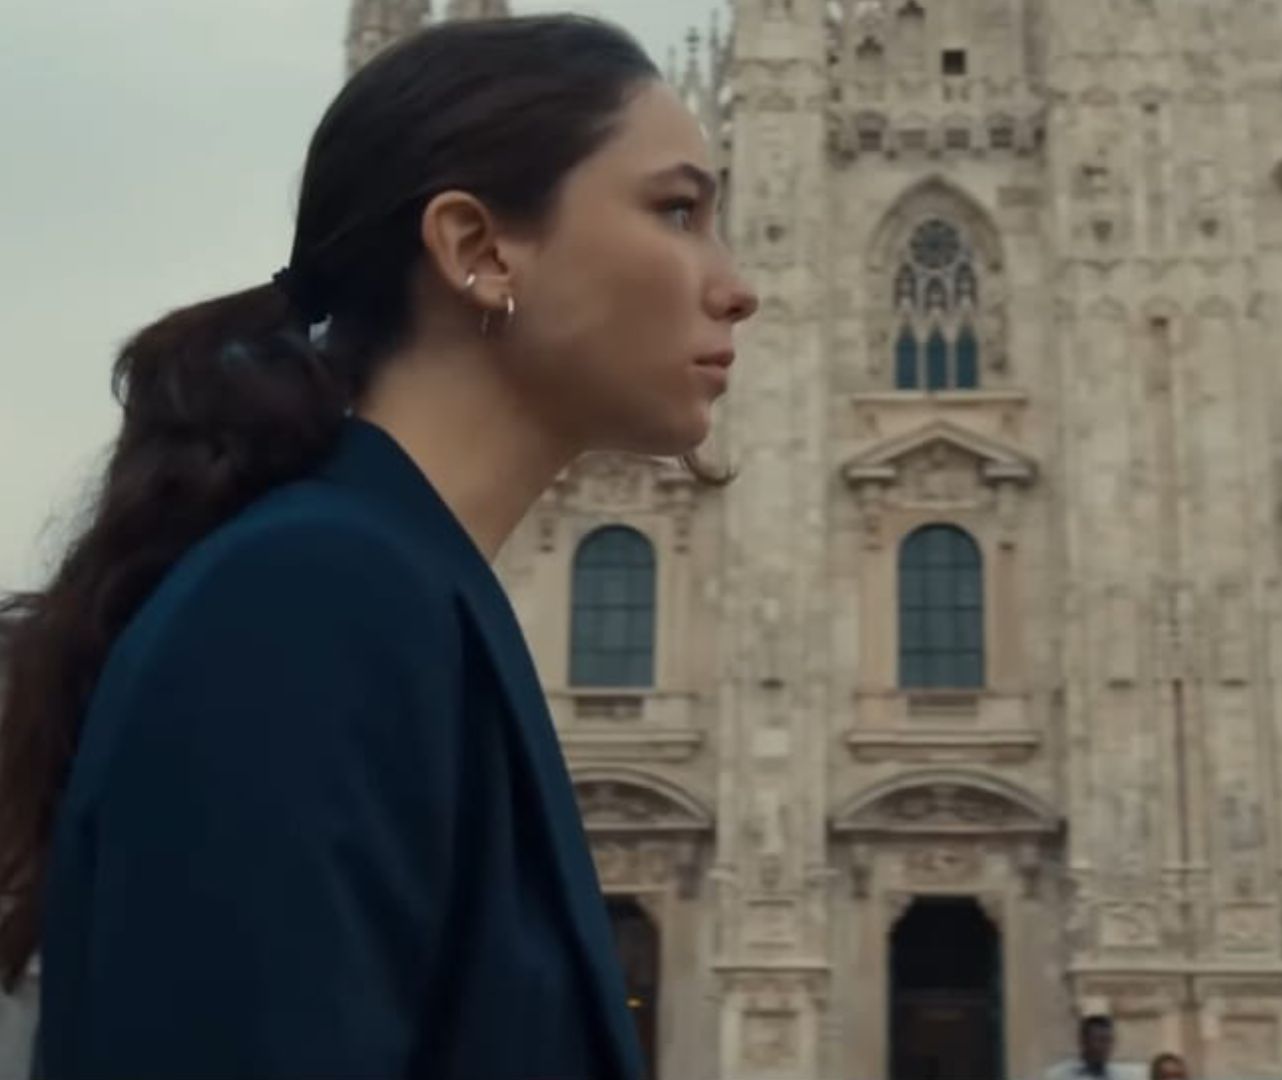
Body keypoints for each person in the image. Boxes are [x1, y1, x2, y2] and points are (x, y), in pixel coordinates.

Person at [0, 14, 755, 1077]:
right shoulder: (309, 602)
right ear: (477, 250)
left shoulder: (392, 590)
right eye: (678, 211)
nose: (738, 284)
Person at [1045, 1015, 1148, 1080]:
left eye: (1109, 1040)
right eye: (1100, 1040)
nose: (1106, 1047)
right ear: (1083, 1041)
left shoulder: (1123, 1076)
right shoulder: (1059, 1075)